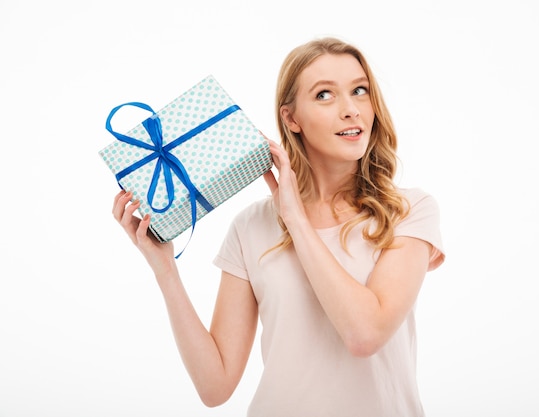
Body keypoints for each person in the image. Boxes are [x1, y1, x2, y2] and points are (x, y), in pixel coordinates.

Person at [112, 36, 445, 417]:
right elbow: (215, 386)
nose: (351, 109)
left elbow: (365, 334)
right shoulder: (251, 226)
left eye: (360, 90)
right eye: (325, 95)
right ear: (291, 119)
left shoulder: (409, 211)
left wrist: (295, 219)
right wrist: (165, 269)